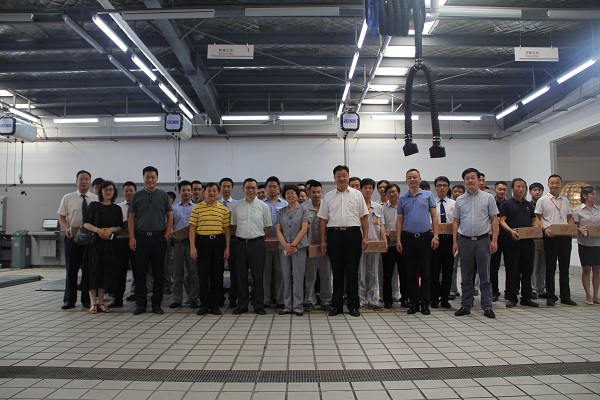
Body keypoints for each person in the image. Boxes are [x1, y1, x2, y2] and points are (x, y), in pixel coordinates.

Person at [318, 165, 369, 317]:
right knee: (337, 272)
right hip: (334, 235)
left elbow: (364, 217)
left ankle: (353, 306)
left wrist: (366, 237)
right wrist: (323, 240)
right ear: (334, 178)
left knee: (353, 272)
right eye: (338, 176)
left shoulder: (357, 195)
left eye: (344, 175)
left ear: (348, 176)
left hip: (353, 235)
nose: (342, 178)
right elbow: (323, 220)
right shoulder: (328, 197)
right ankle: (337, 306)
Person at [453, 167, 498, 319]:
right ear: (464, 181)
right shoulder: (460, 200)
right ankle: (466, 305)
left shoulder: (488, 198)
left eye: (473, 177)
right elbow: (456, 221)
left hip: (483, 241)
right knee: (466, 276)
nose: (470, 180)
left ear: (479, 180)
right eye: (467, 178)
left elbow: (494, 219)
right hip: (465, 241)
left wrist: (494, 240)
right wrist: (455, 241)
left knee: (485, 276)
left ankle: (487, 306)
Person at [129, 166, 173, 315]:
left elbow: (170, 215)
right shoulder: (137, 196)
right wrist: (132, 237)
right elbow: (131, 217)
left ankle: (156, 303)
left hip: (158, 238)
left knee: (158, 272)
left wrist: (166, 235)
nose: (150, 180)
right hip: (141, 238)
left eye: (153, 177)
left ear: (157, 178)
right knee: (140, 272)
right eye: (147, 177)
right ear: (143, 178)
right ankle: (141, 303)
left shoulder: (163, 196)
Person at [397, 168, 439, 315]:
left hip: (425, 238)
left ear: (420, 179)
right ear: (406, 181)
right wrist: (398, 239)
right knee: (410, 273)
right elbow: (399, 220)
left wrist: (436, 236)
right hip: (408, 239)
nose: (412, 180)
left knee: (426, 272)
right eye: (410, 177)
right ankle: (414, 303)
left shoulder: (428, 195)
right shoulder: (402, 199)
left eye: (415, 177)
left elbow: (434, 217)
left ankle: (425, 303)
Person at [230, 178, 272, 315]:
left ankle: (258, 305)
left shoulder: (263, 206)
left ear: (257, 189)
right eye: (248, 187)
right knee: (241, 276)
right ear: (243, 189)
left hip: (257, 245)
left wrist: (258, 239)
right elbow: (234, 225)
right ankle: (242, 305)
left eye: (253, 187)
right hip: (240, 244)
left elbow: (268, 226)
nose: (251, 190)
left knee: (258, 276)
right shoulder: (237, 206)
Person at [58, 170, 98, 309]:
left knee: (88, 270)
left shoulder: (95, 199)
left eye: (87, 179)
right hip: (73, 237)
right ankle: (69, 300)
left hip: (89, 239)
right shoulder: (68, 198)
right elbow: (61, 216)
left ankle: (86, 300)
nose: (84, 181)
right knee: (71, 270)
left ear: (90, 182)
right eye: (81, 179)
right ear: (76, 182)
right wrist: (66, 228)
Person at [535, 174, 577, 306]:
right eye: (552, 183)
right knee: (550, 267)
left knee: (564, 268)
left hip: (565, 237)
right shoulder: (543, 200)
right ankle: (551, 296)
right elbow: (537, 217)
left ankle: (565, 296)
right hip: (550, 237)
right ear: (548, 184)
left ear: (561, 184)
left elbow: (569, 217)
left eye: (557, 183)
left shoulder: (565, 200)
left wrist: (572, 228)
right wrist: (544, 229)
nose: (554, 185)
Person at [82, 180, 123, 314]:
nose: (108, 192)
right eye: (105, 189)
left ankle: (101, 302)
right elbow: (86, 223)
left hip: (109, 245)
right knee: (93, 272)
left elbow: (119, 227)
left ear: (114, 192)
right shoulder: (93, 206)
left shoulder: (116, 209)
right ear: (100, 191)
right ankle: (92, 303)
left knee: (105, 273)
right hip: (94, 245)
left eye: (111, 189)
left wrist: (110, 229)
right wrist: (98, 230)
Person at [189, 182, 231, 315]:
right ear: (204, 192)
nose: (212, 193)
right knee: (203, 275)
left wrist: (227, 248)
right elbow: (192, 228)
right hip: (202, 243)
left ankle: (214, 304)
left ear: (218, 193)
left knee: (217, 275)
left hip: (218, 243)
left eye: (214, 191)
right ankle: (204, 304)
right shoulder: (197, 208)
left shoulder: (223, 209)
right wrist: (192, 247)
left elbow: (226, 230)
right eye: (209, 191)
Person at [498, 178, 540, 308]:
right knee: (513, 271)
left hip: (528, 242)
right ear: (513, 189)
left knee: (527, 270)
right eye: (518, 186)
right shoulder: (507, 204)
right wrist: (511, 231)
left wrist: (536, 229)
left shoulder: (528, 205)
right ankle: (512, 297)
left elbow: (533, 220)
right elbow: (502, 221)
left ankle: (526, 297)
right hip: (512, 242)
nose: (521, 189)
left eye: (523, 187)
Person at [276, 185, 309, 316]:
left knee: (298, 277)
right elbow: (278, 230)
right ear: (284, 196)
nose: (290, 195)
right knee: (285, 276)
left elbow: (304, 229)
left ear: (297, 195)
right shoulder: (281, 211)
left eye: (293, 193)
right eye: (287, 194)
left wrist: (293, 245)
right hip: (284, 248)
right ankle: (287, 305)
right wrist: (285, 245)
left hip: (299, 248)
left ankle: (298, 306)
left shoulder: (304, 210)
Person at [169, 180, 199, 309]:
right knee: (177, 272)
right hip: (178, 243)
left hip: (192, 243)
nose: (186, 192)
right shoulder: (173, 208)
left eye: (188, 190)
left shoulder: (197, 208)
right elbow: (169, 224)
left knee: (193, 272)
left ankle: (193, 298)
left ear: (191, 192)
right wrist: (172, 234)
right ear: (179, 192)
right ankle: (177, 299)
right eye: (183, 190)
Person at [303, 181, 332, 311]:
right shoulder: (303, 208)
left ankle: (326, 300)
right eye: (314, 192)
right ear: (309, 193)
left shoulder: (328, 206)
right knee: (310, 275)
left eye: (319, 192)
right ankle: (309, 300)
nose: (316, 195)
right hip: (309, 247)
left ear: (322, 192)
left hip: (325, 247)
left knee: (326, 274)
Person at [359, 178, 386, 310]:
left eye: (370, 188)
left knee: (373, 273)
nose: (368, 190)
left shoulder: (378, 207)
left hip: (375, 245)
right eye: (365, 188)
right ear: (361, 189)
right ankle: (361, 300)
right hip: (360, 245)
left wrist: (384, 241)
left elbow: (381, 225)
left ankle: (373, 299)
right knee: (360, 273)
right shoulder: (357, 206)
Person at [572, 186, 600, 305]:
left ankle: (596, 295)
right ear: (585, 196)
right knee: (587, 268)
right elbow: (575, 226)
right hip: (584, 243)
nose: (595, 196)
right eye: (593, 194)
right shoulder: (577, 210)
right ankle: (588, 295)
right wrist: (580, 230)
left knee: (597, 268)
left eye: (595, 194)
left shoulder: (598, 209)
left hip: (598, 243)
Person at [430, 176, 455, 309]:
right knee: (434, 270)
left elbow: (457, 222)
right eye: (439, 185)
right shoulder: (431, 203)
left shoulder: (454, 204)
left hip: (449, 240)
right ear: (435, 187)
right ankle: (434, 298)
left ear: (448, 187)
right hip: (435, 240)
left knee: (448, 270)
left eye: (444, 185)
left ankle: (445, 298)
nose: (442, 188)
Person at [263, 176, 288, 308]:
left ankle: (280, 299)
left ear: (279, 188)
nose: (272, 189)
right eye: (270, 186)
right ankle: (265, 299)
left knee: (280, 272)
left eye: (274, 186)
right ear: (266, 188)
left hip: (281, 244)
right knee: (265, 273)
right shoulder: (260, 204)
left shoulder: (285, 204)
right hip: (264, 244)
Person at [112, 181, 137, 308]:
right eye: (126, 190)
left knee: (138, 270)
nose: (129, 193)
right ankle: (118, 298)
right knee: (119, 271)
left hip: (136, 242)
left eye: (131, 190)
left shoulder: (139, 206)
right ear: (123, 192)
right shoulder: (118, 207)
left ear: (135, 192)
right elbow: (114, 224)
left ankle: (138, 296)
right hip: (121, 241)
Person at [381, 183, 406, 308]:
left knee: (404, 273)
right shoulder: (383, 209)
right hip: (389, 245)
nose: (392, 194)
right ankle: (387, 299)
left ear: (399, 193)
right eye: (389, 192)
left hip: (403, 245)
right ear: (386, 194)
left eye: (394, 191)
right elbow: (381, 225)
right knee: (387, 274)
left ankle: (405, 298)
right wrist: (384, 234)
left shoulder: (405, 206)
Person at [219, 177, 238, 308]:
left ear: (232, 188)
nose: (226, 189)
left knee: (234, 270)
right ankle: (219, 297)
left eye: (228, 186)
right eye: (223, 186)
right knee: (217, 270)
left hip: (234, 239)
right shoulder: (215, 204)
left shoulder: (237, 204)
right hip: (218, 239)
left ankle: (233, 298)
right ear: (220, 188)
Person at [490, 181, 509, 302]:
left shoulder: (509, 204)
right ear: (495, 190)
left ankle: (510, 291)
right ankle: (494, 291)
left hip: (507, 238)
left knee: (510, 266)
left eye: (504, 190)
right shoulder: (491, 203)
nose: (502, 192)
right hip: (493, 238)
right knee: (493, 267)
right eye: (500, 189)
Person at [529, 182, 546, 299]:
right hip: (532, 238)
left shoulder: (545, 204)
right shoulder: (528, 205)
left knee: (543, 265)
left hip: (545, 238)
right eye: (535, 190)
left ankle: (542, 288)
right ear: (530, 192)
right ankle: (533, 288)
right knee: (533, 265)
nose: (537, 192)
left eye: (539, 190)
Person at [449, 184, 465, 300]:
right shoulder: (450, 204)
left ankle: (467, 291)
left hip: (465, 239)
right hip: (452, 239)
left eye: (460, 192)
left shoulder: (465, 204)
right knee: (453, 267)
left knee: (466, 267)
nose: (457, 194)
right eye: (455, 191)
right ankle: (452, 290)